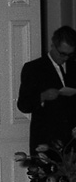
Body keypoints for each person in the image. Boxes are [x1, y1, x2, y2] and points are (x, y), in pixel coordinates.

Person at [17, 25, 76, 153]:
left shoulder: (73, 67)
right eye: (62, 54)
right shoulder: (34, 68)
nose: (65, 58)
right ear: (53, 46)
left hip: (72, 141)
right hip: (46, 140)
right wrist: (42, 96)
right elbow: (23, 105)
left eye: (70, 55)